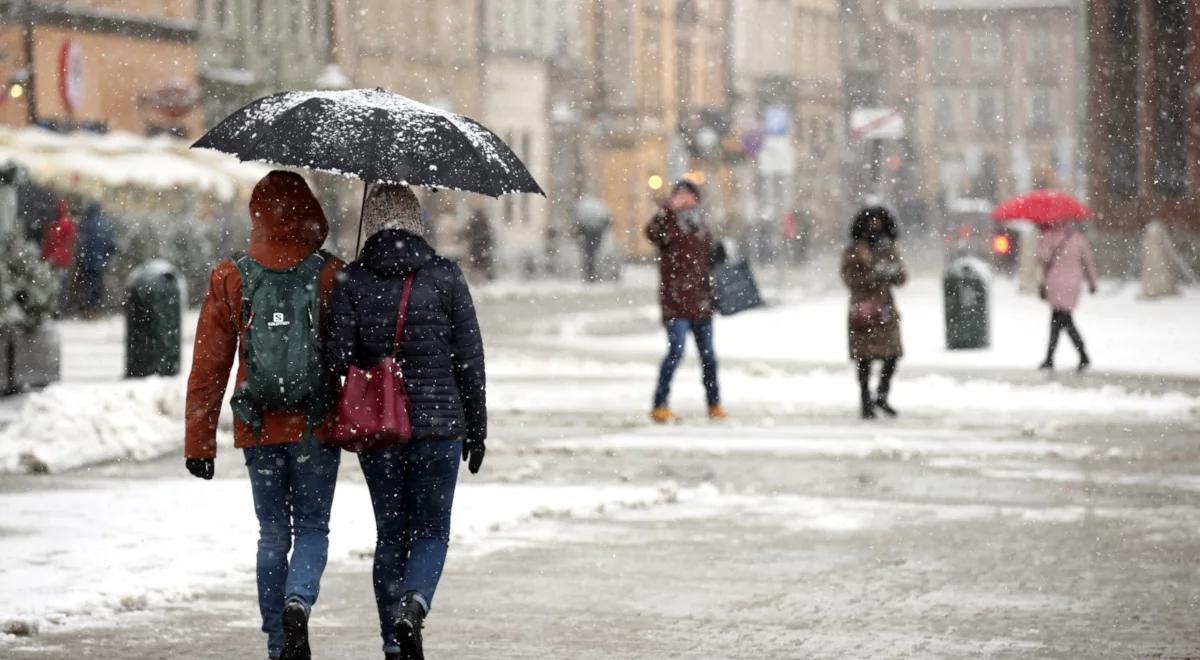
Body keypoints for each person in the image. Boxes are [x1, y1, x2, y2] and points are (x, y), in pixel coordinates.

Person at [184, 171, 345, 660]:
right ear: (310, 211)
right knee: (313, 528)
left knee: (272, 533)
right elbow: (346, 354)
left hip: (258, 426)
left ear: (256, 213)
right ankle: (298, 600)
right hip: (316, 424)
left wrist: (199, 442)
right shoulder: (329, 273)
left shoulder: (232, 274)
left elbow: (209, 366)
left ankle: (279, 643)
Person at [328, 183, 487, 660]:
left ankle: (390, 643)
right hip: (439, 426)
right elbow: (470, 360)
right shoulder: (446, 276)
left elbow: (338, 358)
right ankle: (413, 607)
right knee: (432, 532)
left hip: (380, 427)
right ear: (417, 221)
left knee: (390, 535)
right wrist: (476, 428)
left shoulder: (352, 279)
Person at [646, 180, 725, 423]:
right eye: (679, 195)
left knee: (709, 357)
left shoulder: (701, 226)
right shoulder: (668, 222)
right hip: (676, 301)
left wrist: (719, 256)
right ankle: (660, 404)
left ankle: (714, 404)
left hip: (701, 302)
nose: (684, 199)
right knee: (675, 352)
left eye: (688, 195)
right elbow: (652, 233)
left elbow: (709, 259)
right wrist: (668, 210)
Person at [841, 206, 907, 420]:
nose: (875, 226)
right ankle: (865, 400)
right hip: (863, 310)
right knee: (864, 359)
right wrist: (872, 275)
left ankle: (882, 395)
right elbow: (848, 277)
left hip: (886, 310)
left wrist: (893, 272)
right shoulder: (853, 250)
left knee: (892, 355)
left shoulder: (889, 248)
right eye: (872, 221)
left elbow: (902, 277)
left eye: (879, 221)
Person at [1037, 222, 1098, 372]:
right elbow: (1087, 262)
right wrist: (1092, 282)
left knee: (1061, 321)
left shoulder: (1050, 236)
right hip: (1073, 284)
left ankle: (1078, 355)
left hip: (1056, 283)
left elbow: (1042, 257)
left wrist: (1042, 238)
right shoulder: (1079, 239)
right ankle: (1056, 357)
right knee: (1060, 321)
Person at [74, 203, 117, 319]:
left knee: (86, 286)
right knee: (98, 287)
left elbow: (80, 244)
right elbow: (112, 245)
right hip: (100, 263)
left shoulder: (85, 225)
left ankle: (86, 311)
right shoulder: (106, 226)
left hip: (87, 262)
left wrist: (81, 258)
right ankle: (95, 310)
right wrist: (106, 258)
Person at [41, 200, 77, 315]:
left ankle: (54, 309)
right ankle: (60, 309)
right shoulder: (68, 224)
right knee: (62, 286)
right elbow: (72, 241)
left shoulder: (52, 225)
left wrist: (45, 257)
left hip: (53, 260)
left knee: (53, 285)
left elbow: (49, 243)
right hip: (64, 260)